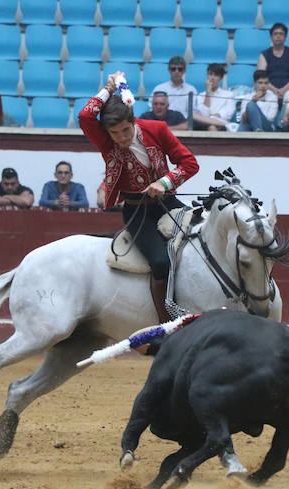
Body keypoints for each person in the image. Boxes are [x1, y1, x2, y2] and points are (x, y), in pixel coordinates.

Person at [78, 71, 199, 324]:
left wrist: (164, 182)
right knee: (160, 261)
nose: (121, 138)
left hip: (168, 203)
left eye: (125, 130)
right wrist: (107, 90)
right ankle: (167, 326)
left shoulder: (157, 129)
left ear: (133, 120)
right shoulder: (106, 141)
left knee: (201, 244)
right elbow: (85, 116)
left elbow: (189, 163)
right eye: (115, 133)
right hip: (137, 211)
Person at [257, 22, 289, 98]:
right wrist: (275, 90)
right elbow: (261, 78)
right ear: (271, 37)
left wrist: (284, 90)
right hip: (269, 90)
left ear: (285, 37)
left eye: (281, 34)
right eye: (275, 33)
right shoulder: (264, 54)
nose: (278, 36)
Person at [193, 63, 235, 131]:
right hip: (203, 124)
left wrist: (214, 116)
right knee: (194, 116)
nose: (212, 78)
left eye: (216, 75)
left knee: (211, 126)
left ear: (221, 78)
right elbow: (204, 114)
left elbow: (228, 114)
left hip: (221, 124)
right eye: (210, 74)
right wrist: (208, 92)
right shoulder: (200, 95)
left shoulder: (229, 95)